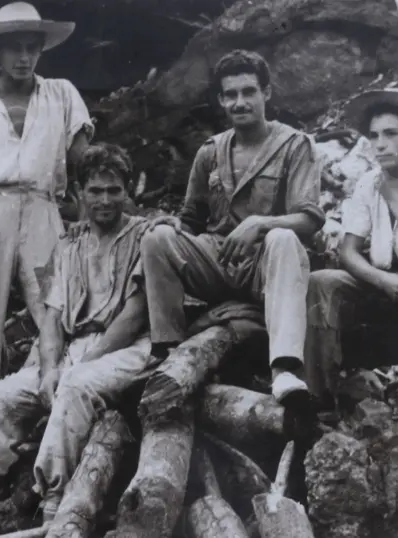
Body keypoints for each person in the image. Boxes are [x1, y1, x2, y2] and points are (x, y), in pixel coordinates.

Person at [0, 143, 157, 522]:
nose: (105, 200)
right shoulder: (71, 246)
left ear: (128, 192)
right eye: (95, 190)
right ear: (80, 192)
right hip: (74, 348)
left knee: (76, 385)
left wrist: (79, 366)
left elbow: (134, 315)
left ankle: (54, 499)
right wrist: (50, 368)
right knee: (1, 396)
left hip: (128, 348)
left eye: (114, 190)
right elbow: (52, 318)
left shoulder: (144, 238)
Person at [0, 1, 93, 433]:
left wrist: (87, 217)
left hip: (44, 213)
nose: (24, 57)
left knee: (53, 314)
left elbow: (85, 161)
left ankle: (51, 423)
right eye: (14, 48)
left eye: (32, 48)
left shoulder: (62, 94)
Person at [139, 50, 325, 405]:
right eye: (231, 95)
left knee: (284, 237)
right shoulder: (211, 151)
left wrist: (260, 224)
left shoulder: (294, 146)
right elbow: (191, 217)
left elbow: (310, 219)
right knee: (157, 236)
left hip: (266, 267)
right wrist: (173, 223)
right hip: (219, 260)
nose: (240, 102)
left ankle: (284, 369)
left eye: (249, 92)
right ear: (221, 100)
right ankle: (168, 350)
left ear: (266, 94)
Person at [306, 88, 398, 423]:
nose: (379, 144)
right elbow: (348, 251)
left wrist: (394, 198)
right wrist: (382, 279)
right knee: (322, 281)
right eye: (373, 136)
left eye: (391, 134)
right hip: (391, 289)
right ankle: (319, 394)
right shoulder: (367, 183)